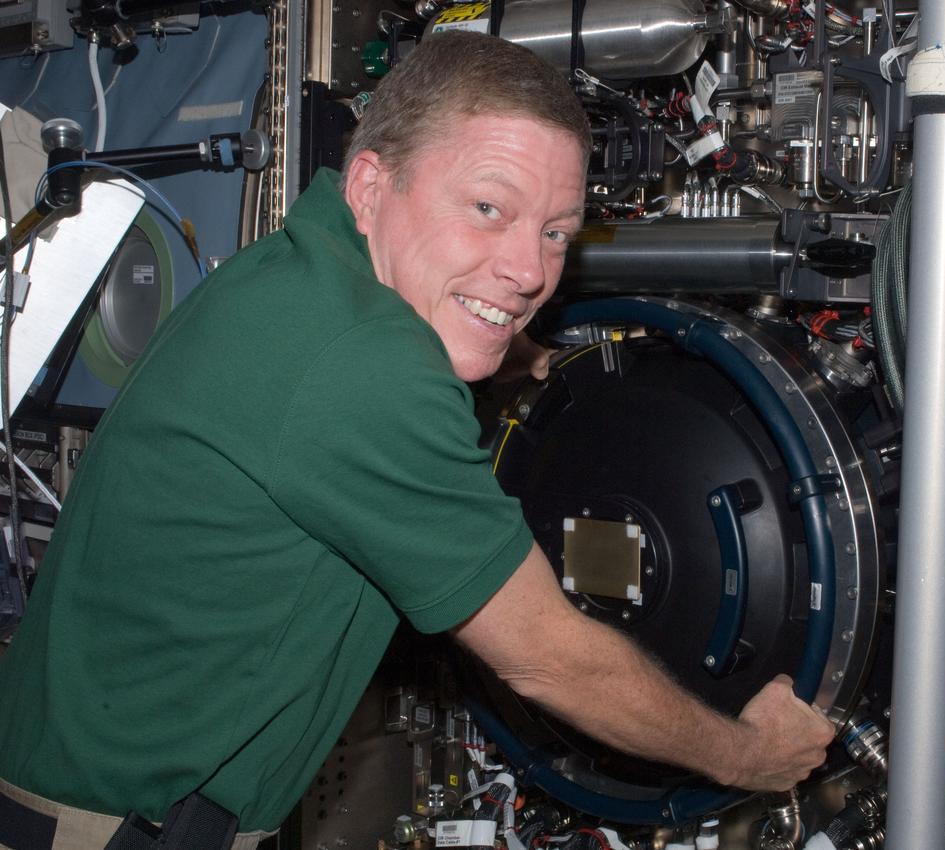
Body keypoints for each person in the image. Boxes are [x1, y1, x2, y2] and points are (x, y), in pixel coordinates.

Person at [0, 31, 835, 850]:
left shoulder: (300, 274)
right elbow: (548, 658)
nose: (530, 271)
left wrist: (499, 348)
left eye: (556, 231)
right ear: (371, 185)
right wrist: (749, 754)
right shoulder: (365, 367)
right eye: (487, 209)